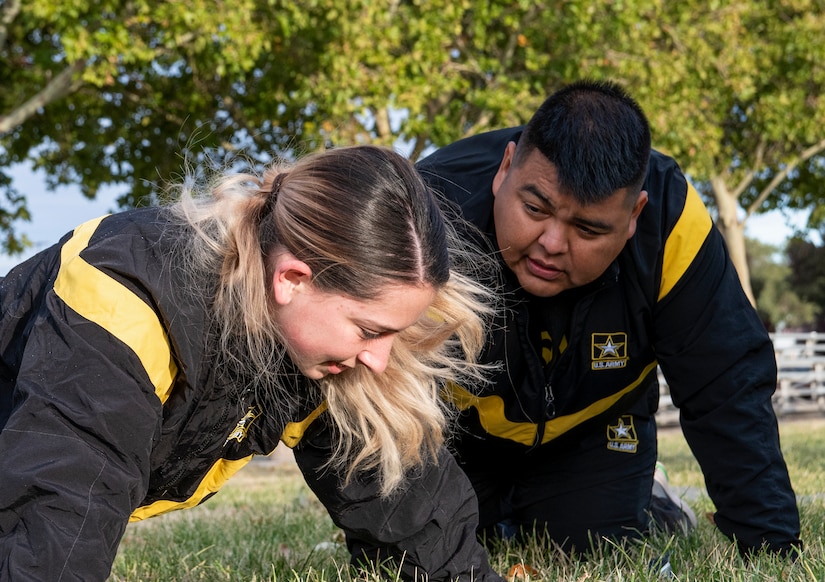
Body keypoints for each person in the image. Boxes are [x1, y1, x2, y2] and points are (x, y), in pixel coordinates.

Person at [0, 145, 505, 581]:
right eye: (370, 331)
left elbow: (410, 512)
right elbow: (58, 511)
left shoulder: (311, 343)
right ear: (292, 279)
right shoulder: (126, 304)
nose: (378, 359)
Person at [414, 79, 802, 557]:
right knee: (439, 548)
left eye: (588, 228)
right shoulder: (424, 209)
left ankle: (654, 499)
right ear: (506, 167)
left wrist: (772, 547)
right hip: (458, 428)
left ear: (635, 213)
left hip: (595, 422)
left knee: (594, 548)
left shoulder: (673, 221)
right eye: (535, 208)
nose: (552, 243)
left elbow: (727, 384)